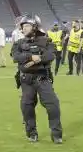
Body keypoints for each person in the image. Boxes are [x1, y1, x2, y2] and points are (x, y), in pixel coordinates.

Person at [12, 15, 63, 143]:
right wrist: (31, 56)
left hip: (43, 78)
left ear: (35, 27)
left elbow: (51, 55)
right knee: (27, 107)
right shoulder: (18, 43)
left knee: (53, 105)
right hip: (26, 80)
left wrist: (39, 59)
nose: (24, 29)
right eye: (23, 27)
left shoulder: (46, 41)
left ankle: (56, 134)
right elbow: (16, 56)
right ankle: (31, 133)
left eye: (27, 26)